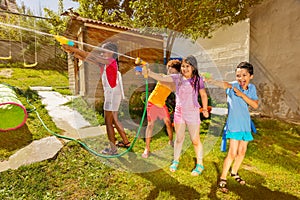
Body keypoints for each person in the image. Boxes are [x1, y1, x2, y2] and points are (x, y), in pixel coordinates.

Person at [143, 55, 209, 176]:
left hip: (192, 113)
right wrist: (149, 72)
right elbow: (161, 77)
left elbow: (203, 95)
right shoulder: (177, 78)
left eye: (187, 66)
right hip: (179, 113)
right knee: (179, 139)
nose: (184, 69)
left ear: (193, 68)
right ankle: (175, 160)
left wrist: (205, 109)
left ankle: (200, 164)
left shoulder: (197, 79)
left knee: (195, 140)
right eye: (183, 66)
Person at [62, 42, 130, 155]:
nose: (103, 53)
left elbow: (91, 55)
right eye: (102, 51)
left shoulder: (110, 61)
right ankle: (125, 142)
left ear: (113, 52)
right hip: (114, 94)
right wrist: (72, 52)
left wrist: (74, 49)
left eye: (106, 51)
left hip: (112, 95)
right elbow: (87, 58)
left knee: (108, 122)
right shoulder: (104, 63)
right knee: (114, 119)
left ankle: (113, 150)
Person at [206, 62, 259, 193]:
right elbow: (225, 84)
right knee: (232, 153)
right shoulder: (233, 86)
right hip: (234, 125)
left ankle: (234, 172)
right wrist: (210, 80)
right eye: (238, 75)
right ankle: (223, 178)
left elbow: (255, 105)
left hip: (245, 125)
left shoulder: (252, 88)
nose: (241, 78)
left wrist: (242, 95)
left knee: (242, 152)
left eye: (244, 75)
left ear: (251, 76)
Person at [142, 59, 181, 158]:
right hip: (152, 103)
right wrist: (145, 68)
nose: (170, 74)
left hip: (162, 104)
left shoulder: (173, 83)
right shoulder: (162, 76)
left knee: (168, 123)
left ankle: (171, 141)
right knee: (150, 125)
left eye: (173, 73)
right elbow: (148, 74)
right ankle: (147, 149)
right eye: (169, 71)